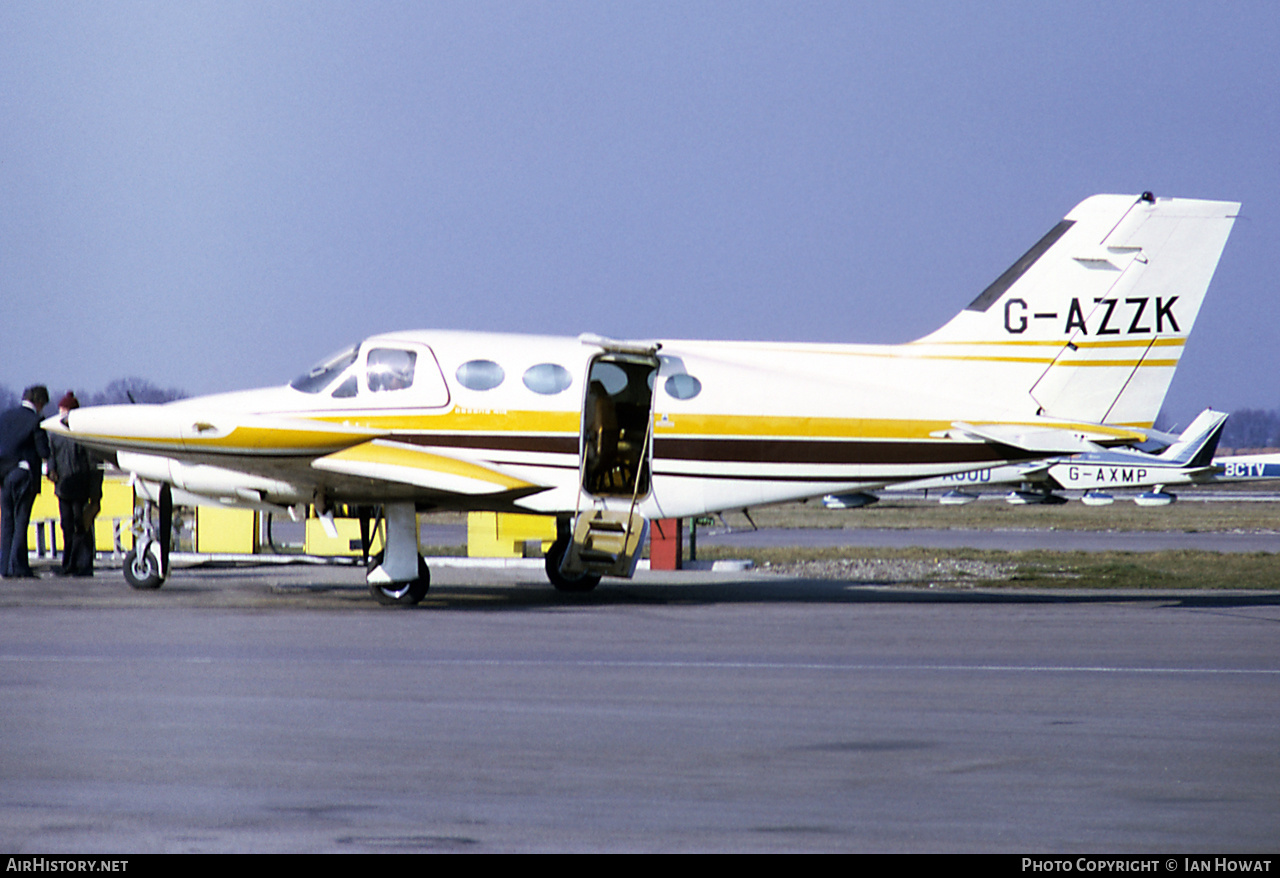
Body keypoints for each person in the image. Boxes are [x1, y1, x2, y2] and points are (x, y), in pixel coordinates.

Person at [47, 392, 102, 576]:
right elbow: (51, 456)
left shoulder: (82, 434)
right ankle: (70, 563)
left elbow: (94, 464)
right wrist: (51, 470)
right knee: (68, 525)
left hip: (78, 487)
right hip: (64, 487)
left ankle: (82, 564)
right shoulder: (56, 433)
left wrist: (94, 492)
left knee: (81, 526)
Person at [0, 385, 51, 578]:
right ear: (39, 402)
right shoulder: (36, 420)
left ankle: (4, 566)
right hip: (23, 474)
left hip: (4, 475)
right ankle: (18, 567)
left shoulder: (4, 417)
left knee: (6, 522)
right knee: (21, 521)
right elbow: (43, 451)